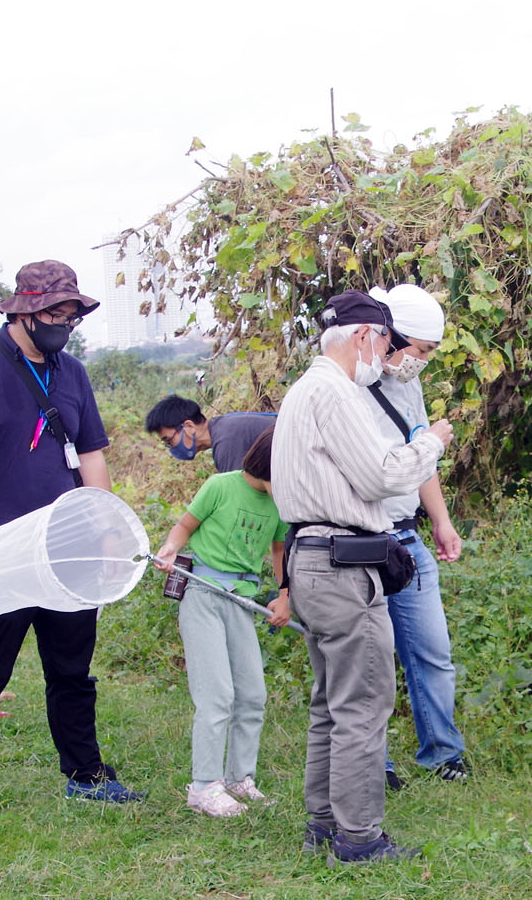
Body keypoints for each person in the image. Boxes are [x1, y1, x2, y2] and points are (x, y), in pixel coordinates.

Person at [0, 259, 141, 826]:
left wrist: (108, 529)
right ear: (23, 310)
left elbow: (91, 455)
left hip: (67, 551)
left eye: (70, 314)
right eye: (52, 313)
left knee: (72, 671)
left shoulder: (73, 374)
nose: (63, 323)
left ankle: (85, 776)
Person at [272, 290, 452, 864]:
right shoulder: (335, 391)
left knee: (332, 699)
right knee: (364, 703)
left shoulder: (304, 390)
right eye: (384, 339)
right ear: (363, 336)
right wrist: (432, 442)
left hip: (311, 558)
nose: (387, 354)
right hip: (341, 562)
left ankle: (323, 823)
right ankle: (359, 837)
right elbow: (381, 476)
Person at [152, 429, 290, 817]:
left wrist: (284, 595)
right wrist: (170, 548)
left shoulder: (280, 503)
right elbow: (184, 527)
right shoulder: (220, 486)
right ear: (266, 465)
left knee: (252, 695)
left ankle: (238, 778)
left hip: (241, 603)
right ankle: (203, 786)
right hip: (204, 596)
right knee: (216, 696)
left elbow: (279, 550)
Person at [366, 284, 473, 785]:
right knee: (369, 660)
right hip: (362, 539)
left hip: (407, 539)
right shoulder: (347, 382)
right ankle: (375, 762)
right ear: (390, 336)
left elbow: (421, 451)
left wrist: (442, 521)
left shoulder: (407, 384)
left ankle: (443, 752)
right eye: (422, 351)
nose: (421, 364)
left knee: (432, 650)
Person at [145, 395, 277, 471]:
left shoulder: (226, 440)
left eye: (169, 441)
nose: (171, 447)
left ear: (189, 426)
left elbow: (240, 497)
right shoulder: (222, 429)